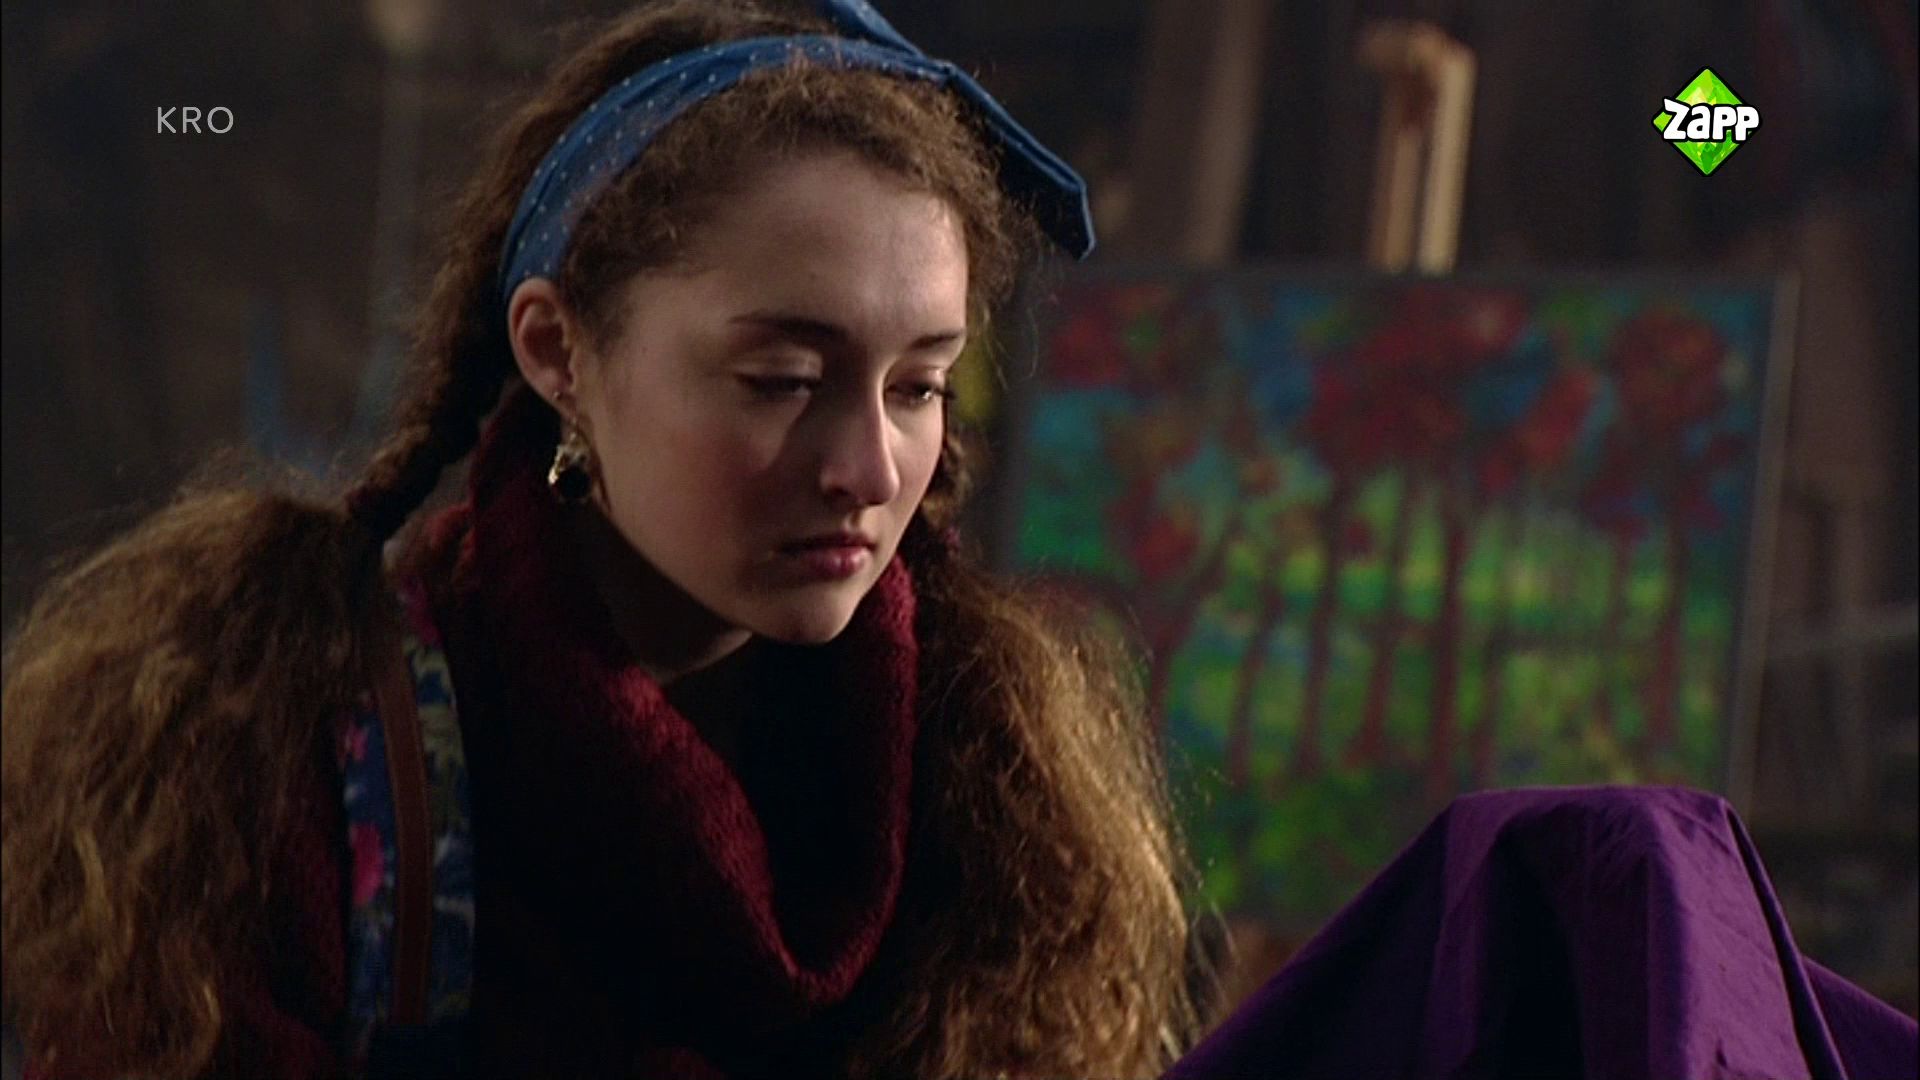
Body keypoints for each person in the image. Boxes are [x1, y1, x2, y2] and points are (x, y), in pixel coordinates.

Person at [0, 2, 1217, 1076]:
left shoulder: (988, 782)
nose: (870, 468)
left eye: (919, 386)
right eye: (785, 380)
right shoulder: (293, 761)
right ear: (559, 352)